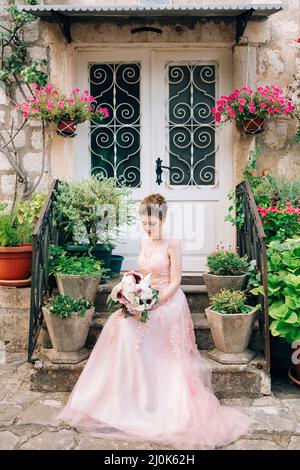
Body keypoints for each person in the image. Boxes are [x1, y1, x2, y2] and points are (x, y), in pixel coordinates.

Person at [57, 193, 253, 449]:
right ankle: (126, 397)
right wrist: (128, 287)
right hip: (144, 297)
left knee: (144, 326)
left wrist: (155, 301)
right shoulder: (143, 241)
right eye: (144, 223)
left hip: (168, 301)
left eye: (152, 223)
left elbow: (175, 281)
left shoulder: (173, 244)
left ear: (162, 220)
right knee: (120, 323)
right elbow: (141, 273)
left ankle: (154, 399)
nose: (148, 228)